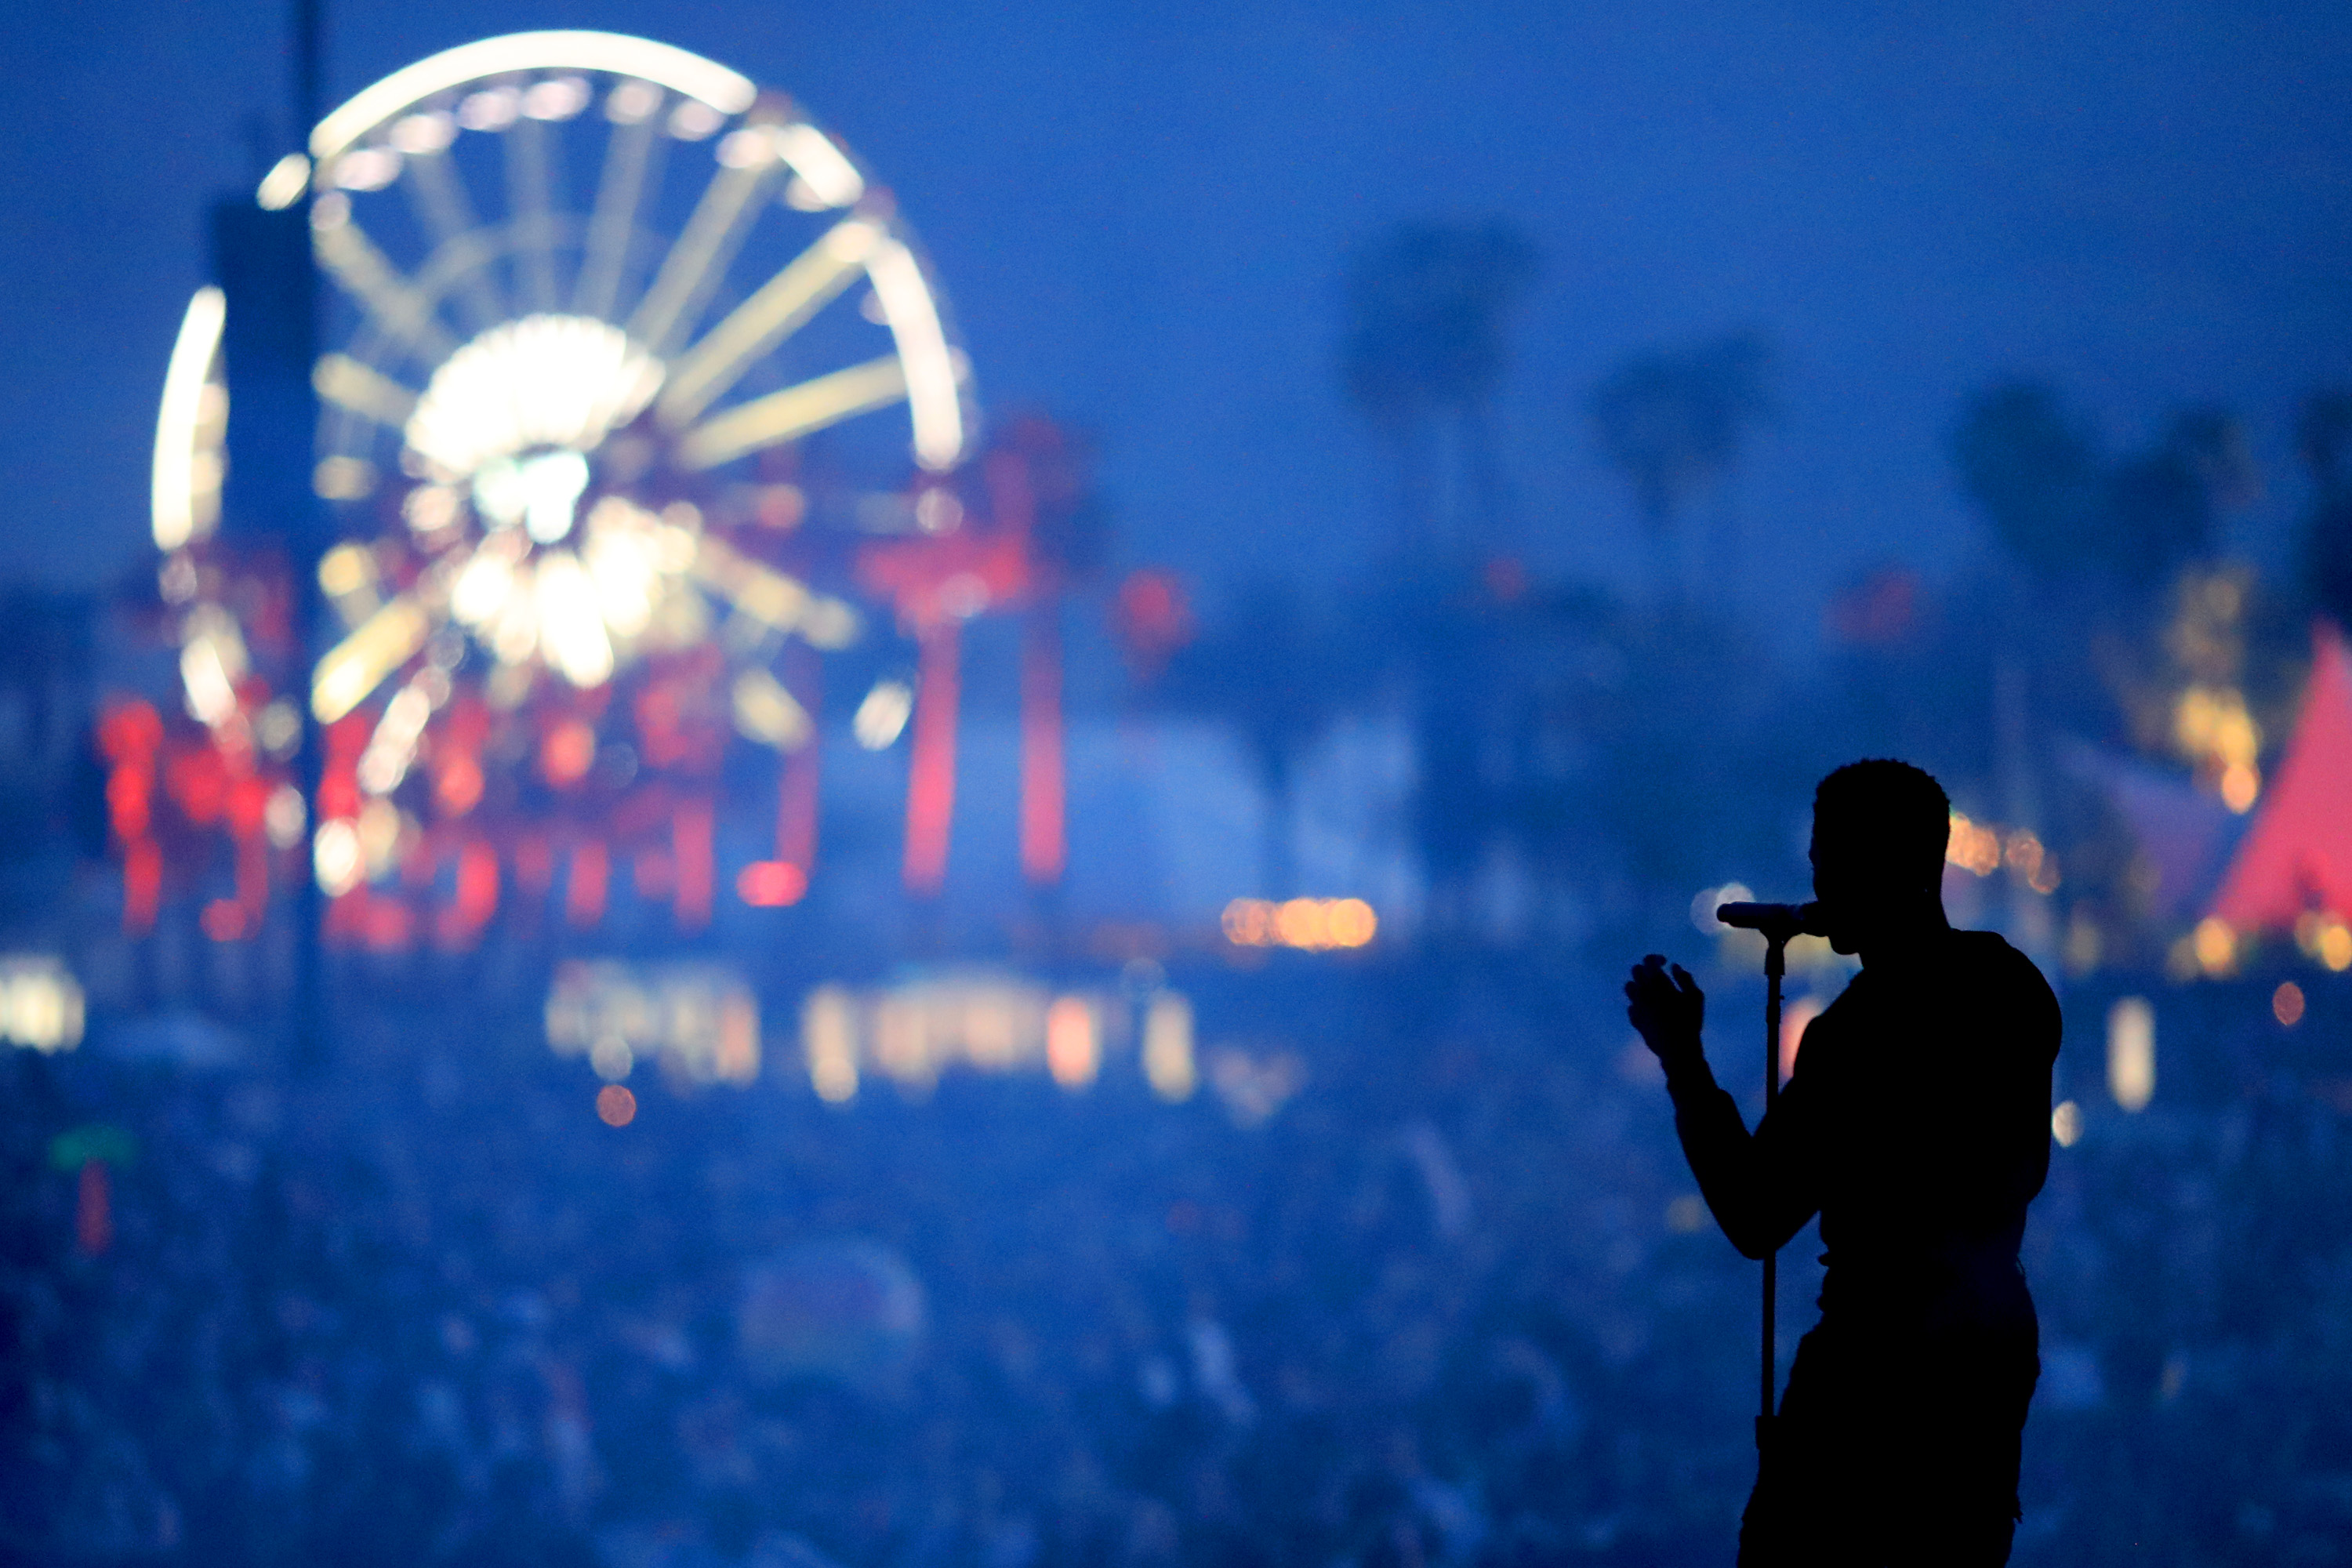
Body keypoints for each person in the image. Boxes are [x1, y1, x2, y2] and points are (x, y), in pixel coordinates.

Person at [1625, 760, 2060, 1566]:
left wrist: (1683, 1058)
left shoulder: (1860, 1035)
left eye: (1830, 856)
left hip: (1877, 1367)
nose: (1817, 877)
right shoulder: (2010, 984)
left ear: (1884, 865)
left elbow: (1755, 1214)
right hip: (1987, 1348)